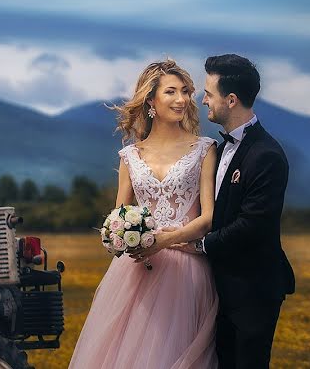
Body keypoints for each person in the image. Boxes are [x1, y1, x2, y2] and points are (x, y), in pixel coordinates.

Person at [69, 60, 219, 369]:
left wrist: (163, 241)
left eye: (186, 92)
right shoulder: (130, 156)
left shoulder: (205, 148)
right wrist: (118, 237)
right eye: (171, 92)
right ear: (151, 100)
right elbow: (117, 217)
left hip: (188, 272)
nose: (182, 99)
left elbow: (208, 219)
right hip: (137, 273)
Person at [195, 54, 295, 369]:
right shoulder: (220, 148)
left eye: (209, 93)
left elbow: (253, 224)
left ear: (232, 99)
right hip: (221, 288)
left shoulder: (266, 155)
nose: (203, 99)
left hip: (253, 289)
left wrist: (201, 245)